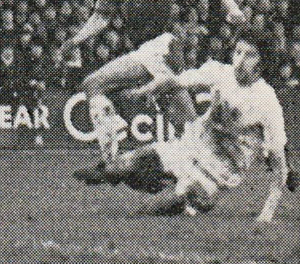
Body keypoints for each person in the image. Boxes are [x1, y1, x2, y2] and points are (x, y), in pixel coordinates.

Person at [55, 0, 245, 161]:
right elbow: (101, 15)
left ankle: (112, 148)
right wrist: (76, 39)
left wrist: (231, 6)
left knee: (93, 83)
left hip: (162, 48)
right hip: (147, 53)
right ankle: (218, 164)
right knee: (190, 134)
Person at [74, 30, 295, 222]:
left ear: (262, 62)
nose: (240, 60)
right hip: (187, 149)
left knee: (154, 209)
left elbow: (279, 165)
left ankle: (177, 192)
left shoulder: (267, 102)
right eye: (238, 52)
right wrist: (143, 91)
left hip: (216, 173)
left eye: (249, 55)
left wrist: (267, 212)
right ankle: (157, 178)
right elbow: (176, 81)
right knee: (118, 168)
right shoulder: (220, 72)